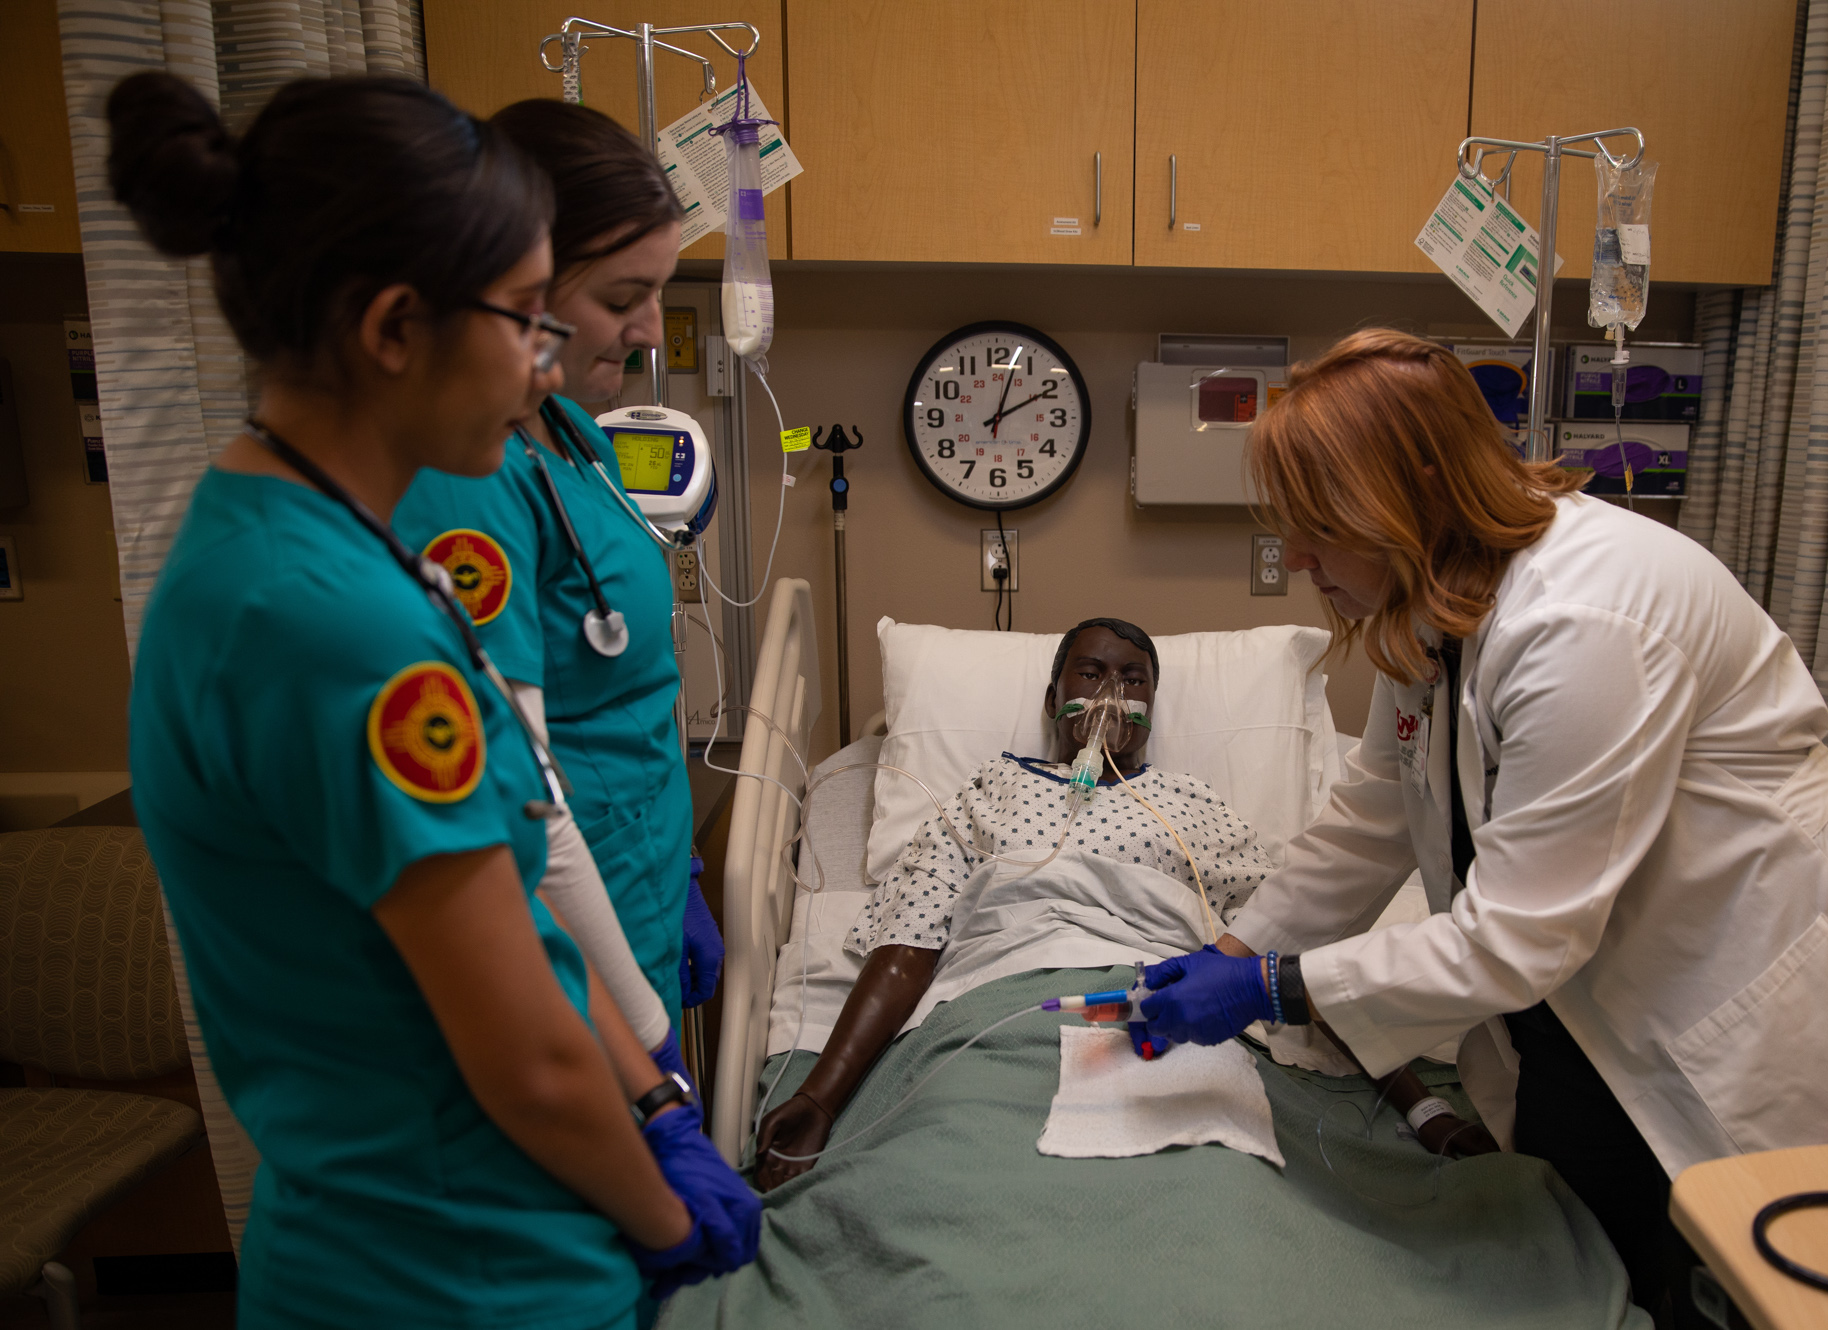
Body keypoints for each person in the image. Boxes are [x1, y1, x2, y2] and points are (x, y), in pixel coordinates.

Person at [1134, 329, 1828, 1324]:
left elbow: (1514, 937)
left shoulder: (1586, 617)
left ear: (1409, 496)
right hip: (1581, 999)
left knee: (1782, 1287)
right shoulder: (1428, 604)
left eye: (1317, 527)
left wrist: (1272, 986)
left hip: (1751, 982)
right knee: (1596, 1265)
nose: (1294, 559)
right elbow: (1374, 813)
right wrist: (1235, 948)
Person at [114, 72, 756, 1327]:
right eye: (523, 317)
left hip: (428, 1233)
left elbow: (516, 902)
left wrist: (653, 1097)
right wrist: (668, 1217)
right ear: (396, 327)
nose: (542, 359)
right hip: (460, 1268)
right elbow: (528, 1055)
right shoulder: (336, 627)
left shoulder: (291, 544)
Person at [752, 618, 1488, 1191]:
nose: (1112, 691)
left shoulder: (1191, 804)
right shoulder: (988, 791)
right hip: (997, 1014)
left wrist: (1421, 1105)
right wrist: (819, 1099)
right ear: (1054, 699)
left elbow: (1295, 946)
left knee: (1216, 1182)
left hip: (1164, 1015)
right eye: (1091, 671)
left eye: (1134, 679)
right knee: (957, 1167)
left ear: (1151, 711)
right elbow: (908, 944)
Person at [392, 99, 718, 1069]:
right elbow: (516, 801)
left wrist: (683, 869)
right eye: (622, 298)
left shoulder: (573, 431)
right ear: (520, 280)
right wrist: (644, 1046)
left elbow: (628, 684)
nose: (650, 331)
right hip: (573, 947)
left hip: (639, 884)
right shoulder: (466, 477)